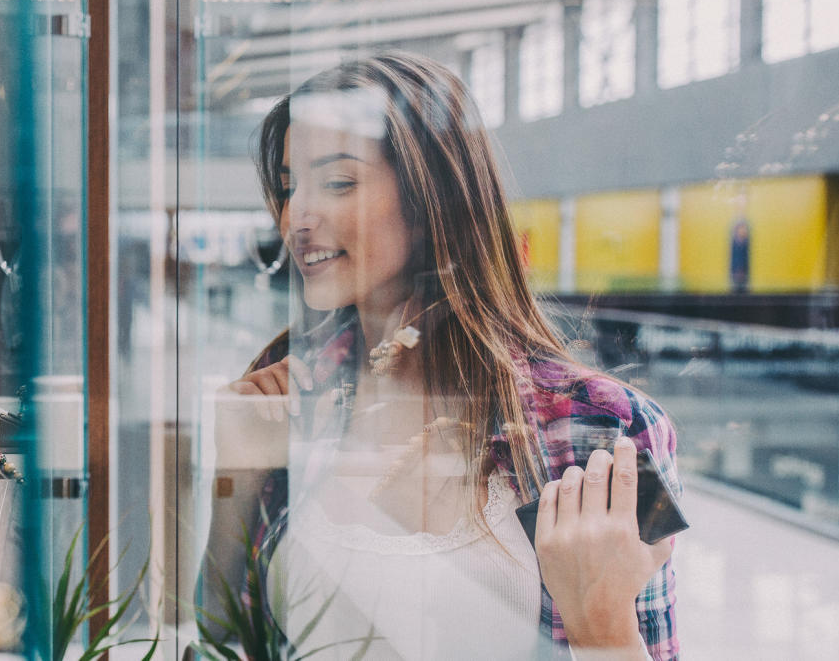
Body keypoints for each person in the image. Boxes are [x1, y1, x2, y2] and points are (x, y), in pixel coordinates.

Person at [204, 52, 680, 660]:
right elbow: (216, 632)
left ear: (435, 200)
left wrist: (604, 630)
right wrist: (235, 476)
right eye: (291, 187)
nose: (297, 216)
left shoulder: (605, 428)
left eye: (338, 182)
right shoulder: (288, 392)